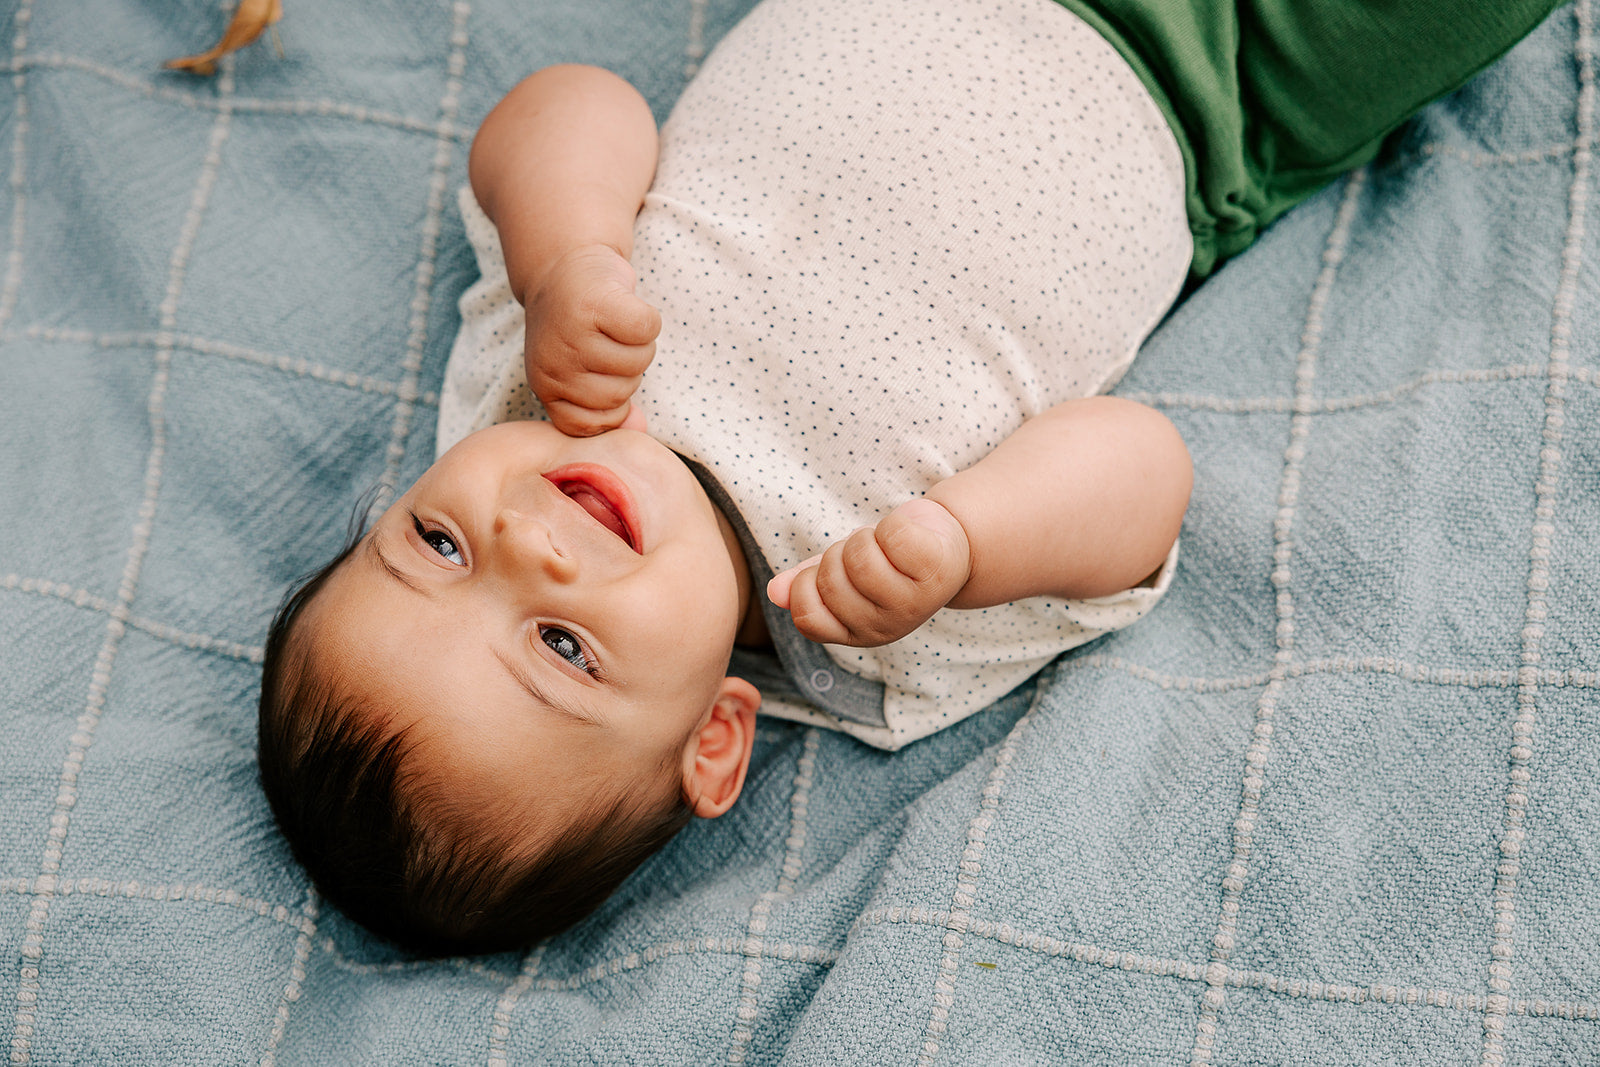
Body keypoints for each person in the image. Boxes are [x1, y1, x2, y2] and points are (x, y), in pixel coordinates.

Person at [257, 0, 1563, 954]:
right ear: (717, 737)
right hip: (1222, 89)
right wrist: (970, 539)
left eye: (434, 547)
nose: (528, 548)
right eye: (563, 645)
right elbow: (1145, 473)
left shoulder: (522, 381)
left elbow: (565, 102)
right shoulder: (870, 637)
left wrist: (567, 244)